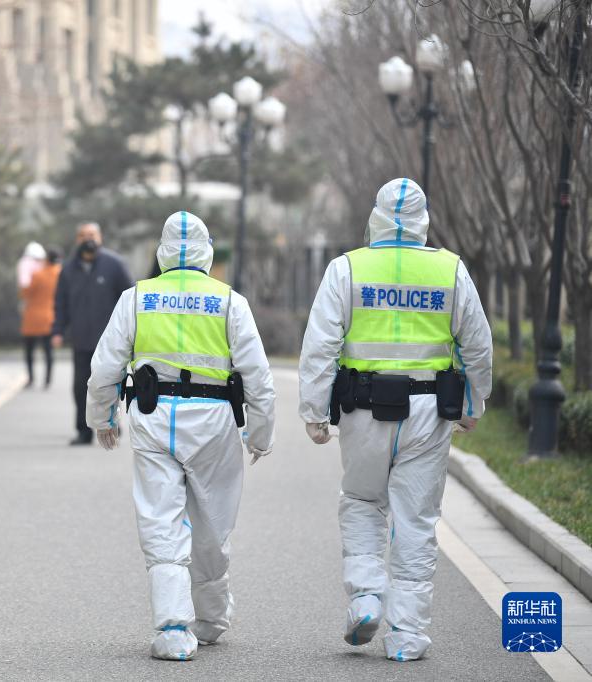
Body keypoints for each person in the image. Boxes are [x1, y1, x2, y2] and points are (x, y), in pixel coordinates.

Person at [298, 178, 492, 662]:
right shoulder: (450, 270)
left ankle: (366, 597)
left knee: (363, 501)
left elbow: (320, 345)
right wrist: (473, 404)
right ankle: (407, 635)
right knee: (416, 518)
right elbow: (477, 344)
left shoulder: (348, 268)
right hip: (429, 412)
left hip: (362, 409)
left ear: (376, 216)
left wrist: (315, 411)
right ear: (424, 220)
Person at [87, 211, 275, 661]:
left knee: (160, 521)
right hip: (214, 422)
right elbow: (258, 377)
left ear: (163, 252)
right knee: (212, 524)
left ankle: (173, 628)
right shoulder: (229, 302)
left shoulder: (137, 298)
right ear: (206, 253)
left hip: (153, 417)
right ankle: (210, 619)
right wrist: (260, 433)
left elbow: (104, 367)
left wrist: (104, 418)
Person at [52, 222, 134, 445]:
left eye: (92, 234)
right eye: (83, 235)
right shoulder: (68, 270)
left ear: (100, 238)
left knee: (110, 384)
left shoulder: (115, 265)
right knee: (80, 387)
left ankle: (112, 423)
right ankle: (83, 431)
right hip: (81, 339)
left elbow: (130, 299)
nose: (88, 239)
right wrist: (57, 330)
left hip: (110, 342)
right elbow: (60, 303)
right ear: (77, 239)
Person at [19, 247, 61, 389]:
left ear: (47, 259)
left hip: (33, 317)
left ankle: (31, 379)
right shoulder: (61, 274)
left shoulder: (38, 275)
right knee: (48, 350)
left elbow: (25, 293)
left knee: (29, 350)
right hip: (51, 316)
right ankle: (48, 380)